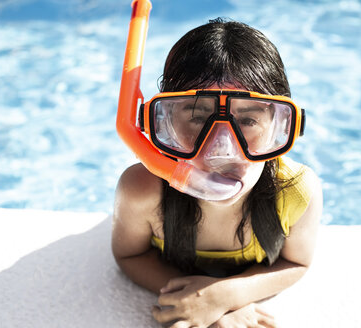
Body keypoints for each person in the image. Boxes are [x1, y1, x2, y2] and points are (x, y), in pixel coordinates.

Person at [112, 18, 322, 328]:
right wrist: (201, 299)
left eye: (248, 121)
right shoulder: (142, 191)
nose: (221, 148)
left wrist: (226, 296)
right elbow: (129, 256)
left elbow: (298, 262)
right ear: (161, 125)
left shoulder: (294, 192)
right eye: (198, 117)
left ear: (282, 128)